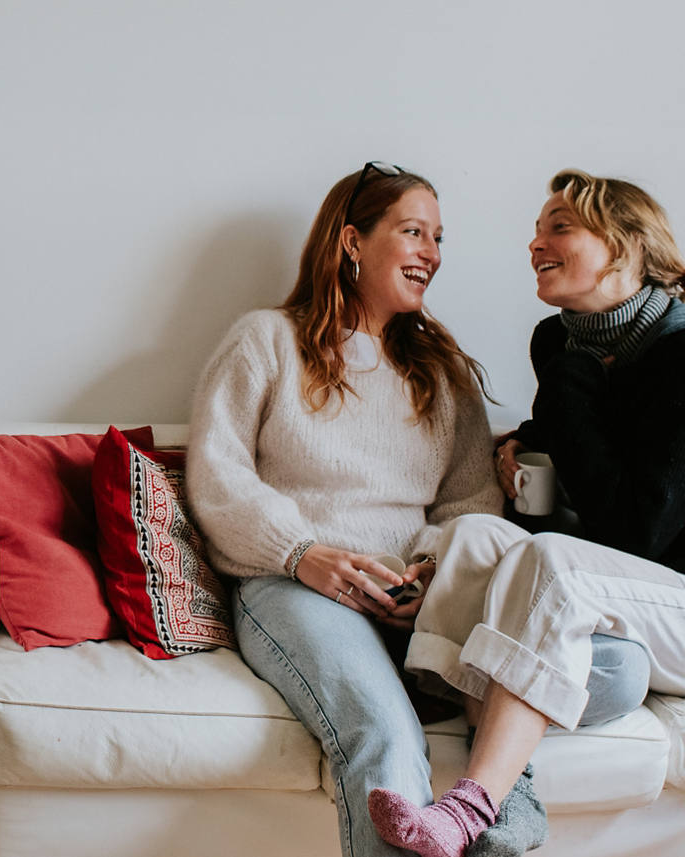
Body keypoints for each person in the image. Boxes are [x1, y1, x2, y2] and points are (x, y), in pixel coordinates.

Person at [185, 162, 647, 857]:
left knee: (616, 668)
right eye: (412, 231)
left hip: (417, 599)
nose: (432, 251)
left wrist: (433, 575)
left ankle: (494, 817)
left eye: (438, 236)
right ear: (351, 242)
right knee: (385, 731)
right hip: (296, 587)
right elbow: (218, 476)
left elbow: (470, 500)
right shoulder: (267, 340)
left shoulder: (442, 369)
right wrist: (302, 553)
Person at [368, 170, 685, 857]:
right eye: (539, 227)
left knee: (545, 559)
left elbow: (640, 531)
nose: (535, 242)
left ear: (626, 246)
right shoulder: (562, 341)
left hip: (675, 590)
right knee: (474, 532)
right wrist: (525, 442)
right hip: (627, 588)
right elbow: (595, 435)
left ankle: (468, 804)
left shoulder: (678, 354)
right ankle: (511, 808)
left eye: (560, 226)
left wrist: (571, 385)